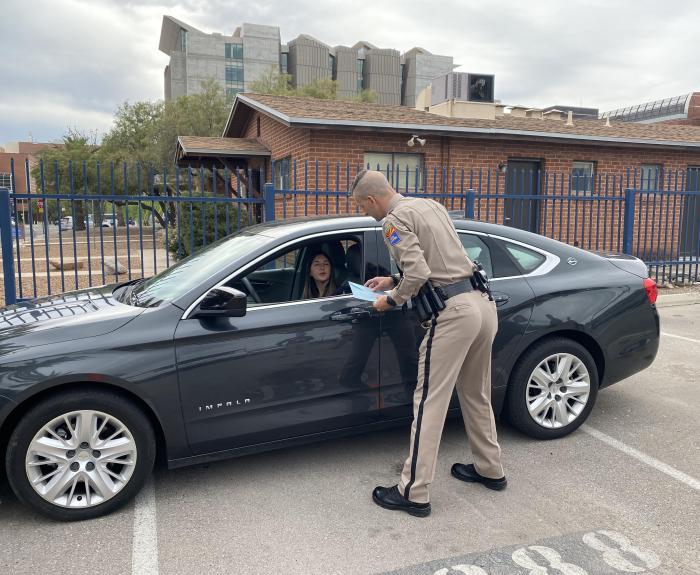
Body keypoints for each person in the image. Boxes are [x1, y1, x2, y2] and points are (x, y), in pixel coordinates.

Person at [350, 169, 506, 518]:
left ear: (373, 199)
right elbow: (441, 258)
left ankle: (413, 492)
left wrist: (389, 300)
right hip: (482, 303)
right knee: (476, 393)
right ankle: (490, 468)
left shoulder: (392, 221)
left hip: (452, 314)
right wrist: (392, 277)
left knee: (429, 401)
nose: (365, 213)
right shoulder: (430, 206)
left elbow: (420, 274)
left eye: (363, 206)